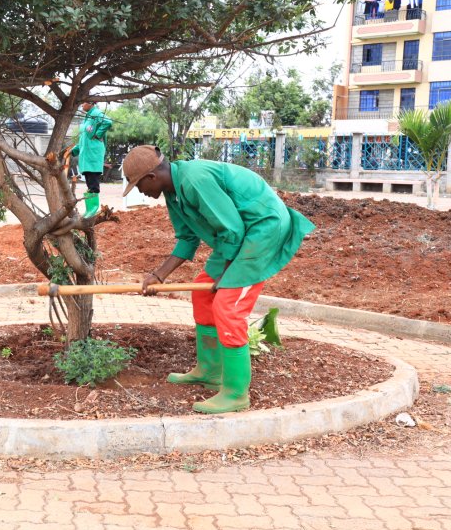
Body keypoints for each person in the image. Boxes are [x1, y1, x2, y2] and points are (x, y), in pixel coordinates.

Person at [121, 145, 315, 414]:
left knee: (228, 305)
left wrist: (227, 272)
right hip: (235, 238)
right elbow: (188, 238)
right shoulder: (173, 193)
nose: (141, 192)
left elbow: (232, 228)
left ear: (152, 177)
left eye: (139, 185)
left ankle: (236, 393)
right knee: (203, 294)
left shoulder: (195, 179)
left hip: (261, 231)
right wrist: (158, 276)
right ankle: (210, 371)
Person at [71, 102, 113, 218]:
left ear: (90, 103)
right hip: (87, 155)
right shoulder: (87, 117)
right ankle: (90, 210)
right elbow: (83, 138)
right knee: (90, 183)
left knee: (93, 183)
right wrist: (74, 150)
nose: (81, 105)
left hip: (93, 154)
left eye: (83, 103)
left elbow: (108, 122)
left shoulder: (96, 114)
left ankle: (93, 211)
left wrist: (98, 135)